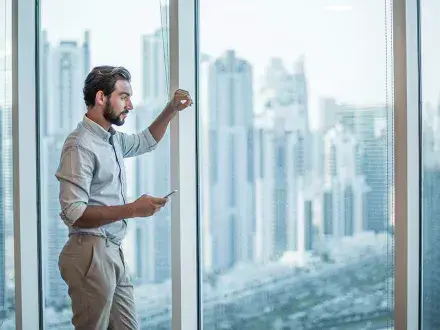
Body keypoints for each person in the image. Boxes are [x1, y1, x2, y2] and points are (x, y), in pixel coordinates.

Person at [55, 65, 193, 329]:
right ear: (101, 98)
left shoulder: (112, 140)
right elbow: (74, 213)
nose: (130, 105)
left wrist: (172, 109)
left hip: (111, 250)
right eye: (123, 96)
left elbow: (146, 141)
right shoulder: (80, 145)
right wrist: (132, 209)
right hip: (90, 252)